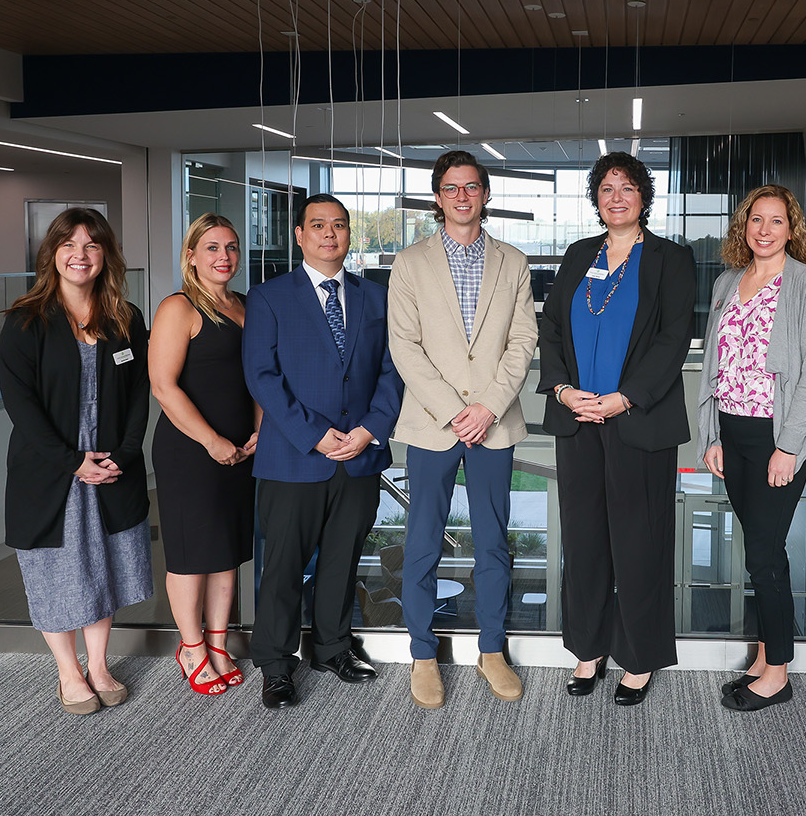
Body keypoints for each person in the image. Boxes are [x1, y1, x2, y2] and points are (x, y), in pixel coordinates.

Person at [537, 151, 696, 706]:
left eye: (627, 186)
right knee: (584, 542)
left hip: (638, 420)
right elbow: (551, 326)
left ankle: (638, 656)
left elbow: (673, 339)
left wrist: (623, 398)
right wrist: (561, 389)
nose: (616, 196)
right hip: (577, 419)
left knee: (640, 542)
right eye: (606, 187)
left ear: (644, 197)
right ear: (596, 199)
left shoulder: (670, 260)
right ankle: (589, 648)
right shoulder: (580, 255)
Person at [388, 151, 538, 709]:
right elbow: (405, 346)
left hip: (494, 425)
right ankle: (422, 656)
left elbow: (523, 341)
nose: (461, 196)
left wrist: (489, 407)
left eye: (471, 187)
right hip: (433, 424)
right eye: (451, 188)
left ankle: (491, 650)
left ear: (485, 194)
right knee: (422, 542)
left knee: (494, 543)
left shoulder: (513, 261)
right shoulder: (410, 263)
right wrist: (456, 410)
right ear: (437, 197)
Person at [242, 194, 403, 709]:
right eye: (317, 225)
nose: (329, 233)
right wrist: (314, 434)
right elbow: (262, 378)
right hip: (294, 456)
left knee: (342, 559)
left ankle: (332, 647)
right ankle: (275, 664)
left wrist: (370, 429)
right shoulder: (268, 298)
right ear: (299, 236)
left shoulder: (376, 297)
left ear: (350, 234)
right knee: (284, 566)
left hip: (359, 454)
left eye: (339, 225)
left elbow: (392, 371)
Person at [0, 207, 153, 715]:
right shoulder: (26, 321)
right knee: (56, 572)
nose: (80, 256)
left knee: (104, 565)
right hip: (52, 471)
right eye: (69, 245)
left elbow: (137, 396)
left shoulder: (125, 319)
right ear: (53, 254)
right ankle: (68, 672)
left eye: (91, 245)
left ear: (106, 254)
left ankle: (100, 664)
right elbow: (22, 406)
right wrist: (72, 462)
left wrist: (125, 455)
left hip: (110, 467)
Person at [696, 185, 806, 712]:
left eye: (776, 221)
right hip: (731, 434)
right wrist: (711, 435)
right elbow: (714, 364)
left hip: (777, 438)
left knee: (765, 554)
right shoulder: (728, 281)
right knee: (760, 551)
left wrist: (789, 446)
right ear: (744, 226)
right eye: (756, 220)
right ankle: (765, 655)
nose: (764, 230)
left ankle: (777, 672)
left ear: (791, 229)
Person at [149, 214, 260, 696]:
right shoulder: (178, 307)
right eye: (212, 247)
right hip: (190, 449)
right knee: (193, 553)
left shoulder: (247, 305)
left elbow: (260, 377)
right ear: (191, 254)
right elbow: (163, 386)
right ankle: (191, 646)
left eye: (232, 247)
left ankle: (218, 643)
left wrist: (259, 430)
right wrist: (212, 441)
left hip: (243, 448)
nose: (224, 256)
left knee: (226, 551)